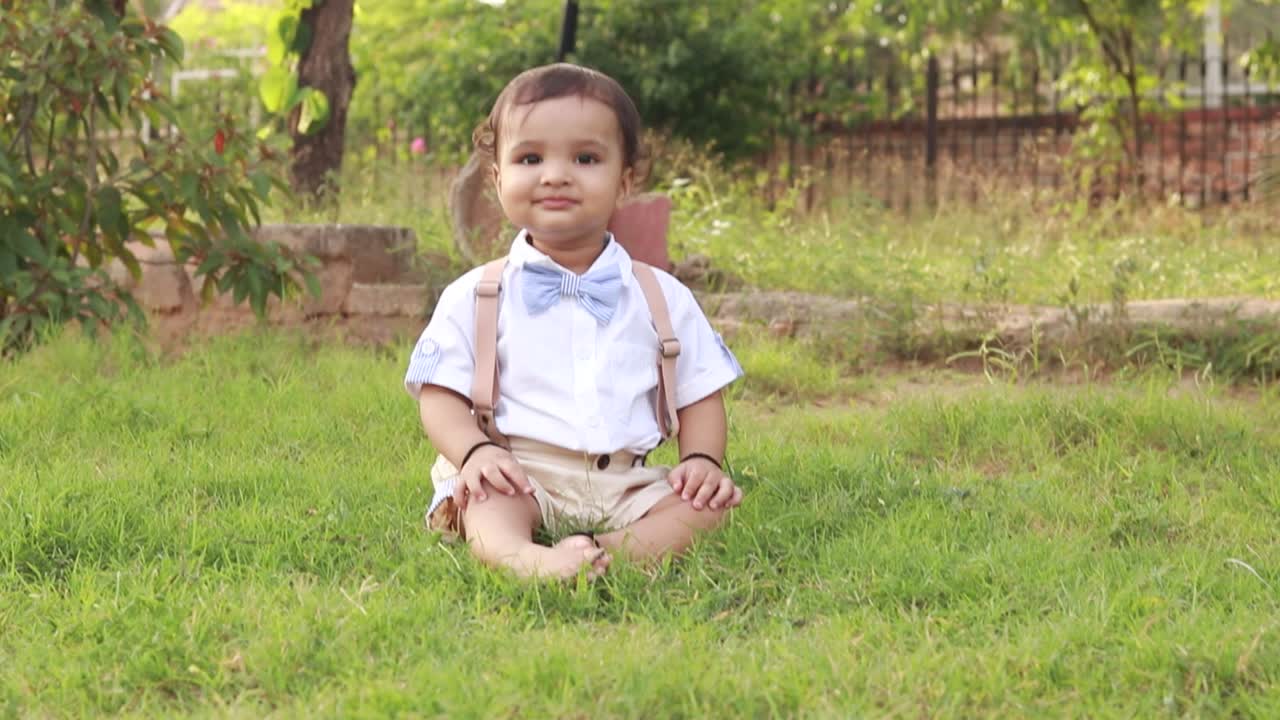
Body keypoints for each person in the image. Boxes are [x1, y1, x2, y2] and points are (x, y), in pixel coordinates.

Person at [404, 63, 744, 581]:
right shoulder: (475, 294)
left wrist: (701, 460)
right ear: (497, 178)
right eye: (530, 157)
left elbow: (700, 391)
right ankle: (527, 558)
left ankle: (612, 549)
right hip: (519, 469)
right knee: (485, 503)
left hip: (625, 479)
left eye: (585, 158)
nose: (556, 174)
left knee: (708, 506)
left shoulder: (660, 296)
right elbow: (439, 392)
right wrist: (473, 452)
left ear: (624, 181)